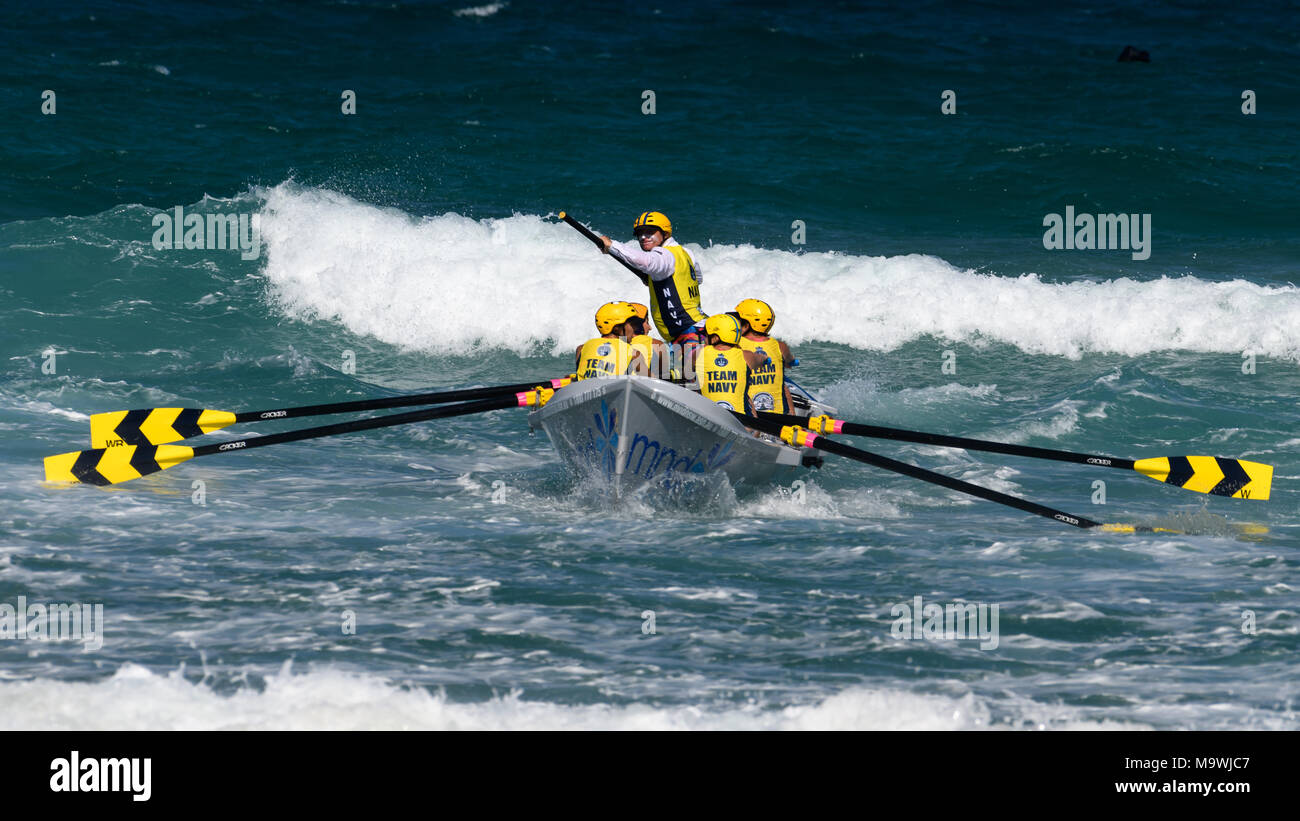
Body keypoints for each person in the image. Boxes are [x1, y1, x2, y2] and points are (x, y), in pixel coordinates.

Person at [598, 212, 706, 347]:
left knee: (689, 369)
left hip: (689, 334)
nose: (643, 237)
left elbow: (644, 261)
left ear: (665, 234)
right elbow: (696, 279)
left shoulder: (664, 255)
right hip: (697, 328)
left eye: (649, 232)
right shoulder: (684, 252)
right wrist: (656, 280)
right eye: (640, 233)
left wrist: (612, 245)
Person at [696, 314, 768, 414]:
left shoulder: (699, 353)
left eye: (706, 335)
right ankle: (755, 429)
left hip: (710, 416)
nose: (705, 338)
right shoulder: (747, 355)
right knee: (745, 395)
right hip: (744, 422)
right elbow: (764, 359)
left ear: (715, 338)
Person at [735, 298, 794, 414]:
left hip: (751, 412)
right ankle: (792, 415)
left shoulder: (737, 345)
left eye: (738, 320)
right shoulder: (780, 345)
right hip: (778, 411)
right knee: (781, 381)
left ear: (746, 324)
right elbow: (790, 362)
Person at [574, 302, 646, 381]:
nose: (635, 329)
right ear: (617, 328)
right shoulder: (634, 353)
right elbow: (650, 382)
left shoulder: (581, 348)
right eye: (633, 325)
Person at [626, 302, 668, 378]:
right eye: (647, 322)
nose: (650, 328)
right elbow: (665, 377)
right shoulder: (658, 345)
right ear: (637, 324)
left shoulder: (615, 344)